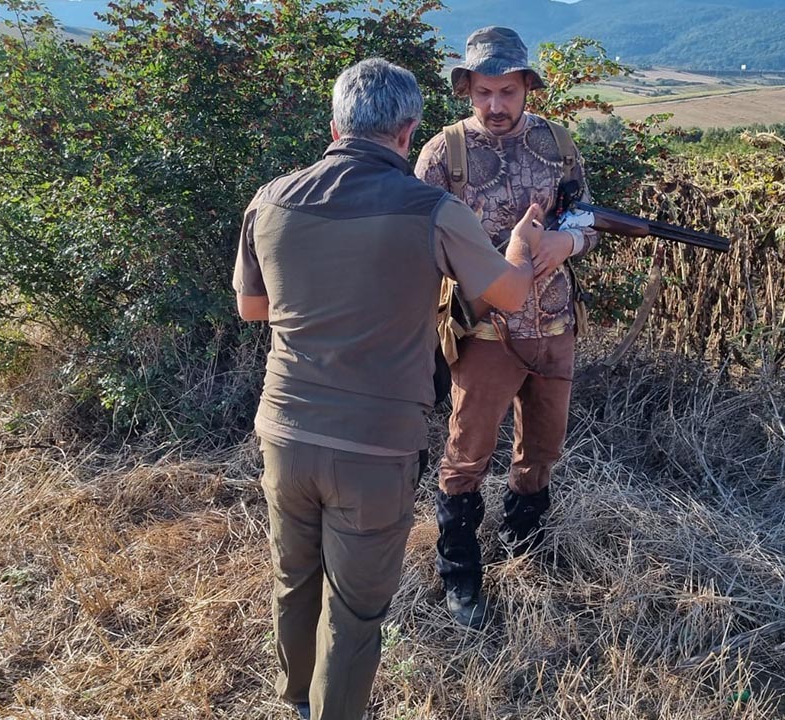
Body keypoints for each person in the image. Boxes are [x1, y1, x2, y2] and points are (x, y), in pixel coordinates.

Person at [233, 58, 542, 720]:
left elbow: (253, 310)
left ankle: (293, 703)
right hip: (374, 448)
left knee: (294, 581)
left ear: (335, 125)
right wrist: (521, 243)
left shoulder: (270, 197)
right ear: (408, 132)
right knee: (356, 611)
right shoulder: (434, 210)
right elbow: (510, 296)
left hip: (284, 432)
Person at [415, 27, 599, 628]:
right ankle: (461, 573)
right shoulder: (443, 155)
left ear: (527, 89)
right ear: (467, 89)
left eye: (507, 92)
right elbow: (418, 244)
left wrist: (565, 240)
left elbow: (586, 214)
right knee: (466, 456)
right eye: (483, 92)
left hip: (552, 327)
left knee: (542, 449)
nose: (495, 106)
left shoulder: (557, 142)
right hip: (484, 333)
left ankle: (526, 546)